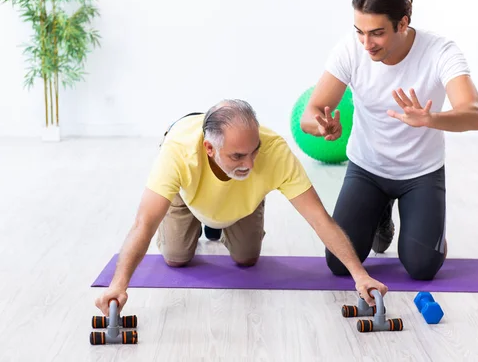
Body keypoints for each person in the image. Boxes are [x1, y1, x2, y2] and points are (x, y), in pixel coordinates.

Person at [95, 99, 388, 315]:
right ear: (210, 149)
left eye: (254, 151)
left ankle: (219, 220)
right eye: (237, 156)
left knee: (247, 259)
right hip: (189, 193)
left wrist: (359, 274)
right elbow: (144, 223)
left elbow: (319, 218)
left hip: (240, 198)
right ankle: (200, 220)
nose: (249, 164)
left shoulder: (273, 152)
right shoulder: (178, 152)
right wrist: (118, 284)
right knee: (175, 257)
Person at [300, 0, 478, 280]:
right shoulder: (351, 48)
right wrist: (321, 127)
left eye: (376, 33)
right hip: (367, 168)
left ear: (403, 23)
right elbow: (309, 114)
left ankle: (426, 230)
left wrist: (431, 119)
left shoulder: (440, 51)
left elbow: (475, 115)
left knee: (423, 266)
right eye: (360, 31)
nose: (366, 43)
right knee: (338, 263)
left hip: (421, 173)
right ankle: (380, 214)